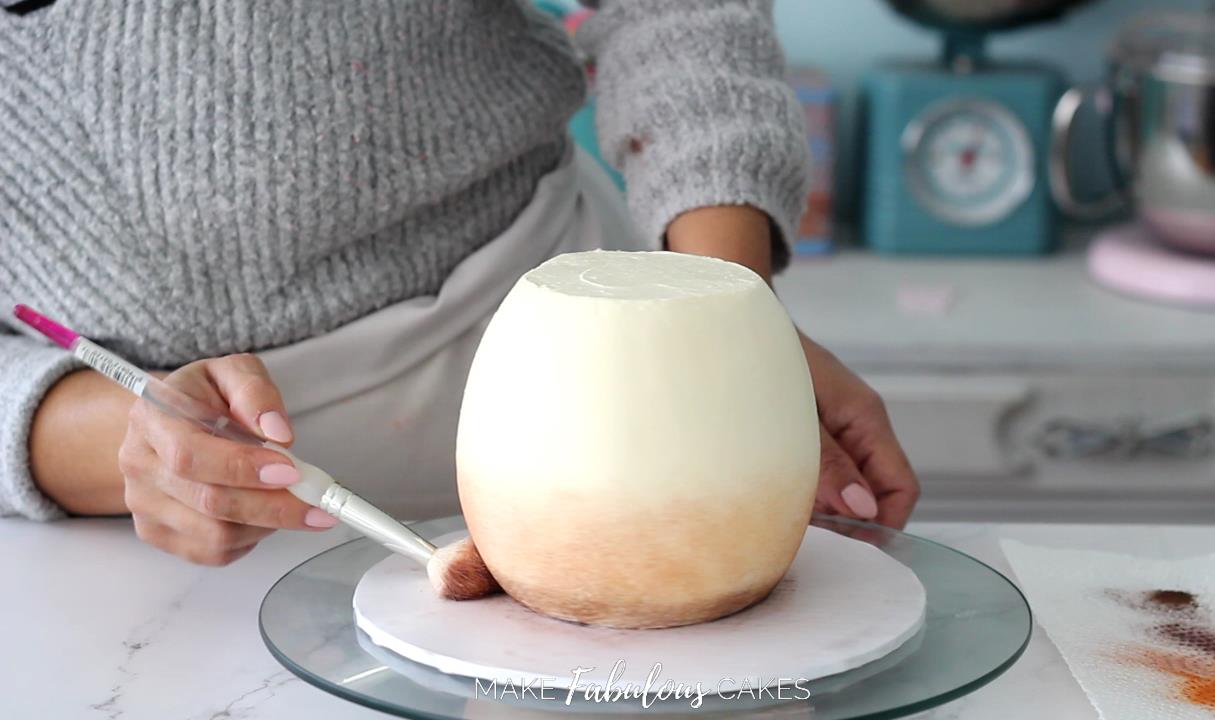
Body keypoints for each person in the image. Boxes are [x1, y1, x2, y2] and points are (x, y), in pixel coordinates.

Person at [0, 0, 918, 566]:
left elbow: (674, 10)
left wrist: (724, 312)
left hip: (598, 367)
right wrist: (115, 444)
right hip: (135, 517)